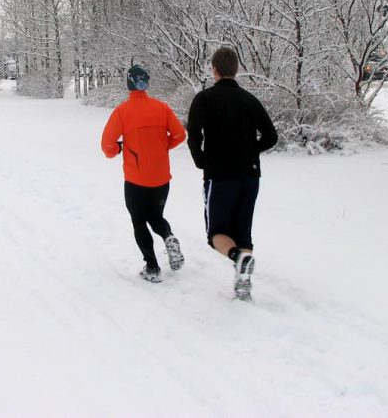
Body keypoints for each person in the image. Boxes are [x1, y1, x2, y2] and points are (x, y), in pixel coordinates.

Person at [187, 47, 278, 301]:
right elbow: (271, 136)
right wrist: (250, 151)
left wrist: (202, 162)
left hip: (220, 175)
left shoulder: (203, 99)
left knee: (216, 233)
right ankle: (243, 280)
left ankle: (239, 259)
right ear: (235, 70)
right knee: (242, 231)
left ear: (214, 70)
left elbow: (194, 136)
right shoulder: (250, 100)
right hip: (250, 176)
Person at [101, 65, 187, 283]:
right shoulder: (162, 108)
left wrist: (121, 148)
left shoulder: (122, 111)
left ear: (129, 84)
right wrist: (160, 146)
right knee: (155, 217)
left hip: (136, 179)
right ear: (146, 83)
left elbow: (107, 147)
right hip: (161, 178)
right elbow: (179, 135)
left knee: (139, 221)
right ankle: (169, 237)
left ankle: (152, 267)